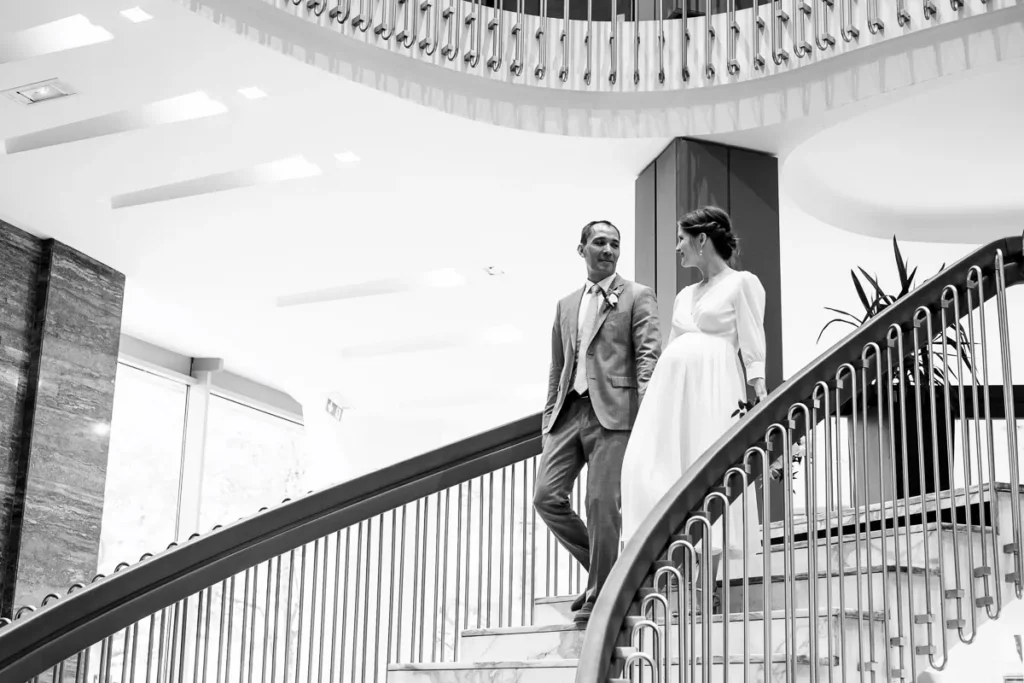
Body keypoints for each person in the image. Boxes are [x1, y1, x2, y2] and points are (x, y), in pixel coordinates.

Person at [619, 206, 767, 608]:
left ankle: (707, 585)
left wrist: (760, 395)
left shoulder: (742, 284)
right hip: (673, 396)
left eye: (682, 239)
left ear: (702, 240)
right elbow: (671, 344)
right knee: (651, 471)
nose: (677, 247)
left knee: (707, 475)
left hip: (715, 389)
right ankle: (669, 571)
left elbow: (753, 348)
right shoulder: (685, 295)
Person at [533, 219, 661, 627]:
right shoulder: (566, 304)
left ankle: (600, 591)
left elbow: (648, 358)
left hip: (616, 413)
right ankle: (615, 571)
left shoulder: (638, 296)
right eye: (600, 242)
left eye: (615, 244)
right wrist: (547, 422)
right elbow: (558, 366)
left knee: (602, 504)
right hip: (567, 414)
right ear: (582, 248)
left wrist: (645, 416)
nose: (608, 250)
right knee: (546, 498)